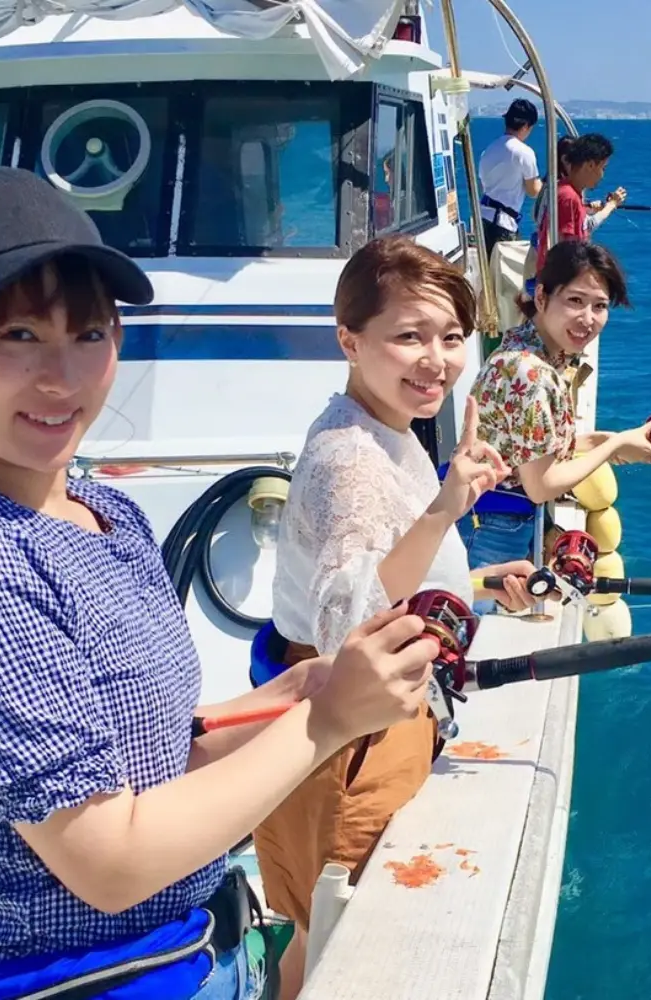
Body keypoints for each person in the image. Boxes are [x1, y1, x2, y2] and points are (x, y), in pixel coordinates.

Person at [0, 168, 440, 1000]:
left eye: (90, 335)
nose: (64, 377)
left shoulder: (104, 510)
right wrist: (331, 722)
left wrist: (300, 694)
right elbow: (109, 862)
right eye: (18, 335)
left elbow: (145, 752)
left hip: (188, 950)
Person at [252, 235, 540, 1000]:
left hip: (325, 725)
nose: (436, 359)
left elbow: (380, 571)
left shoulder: (374, 423)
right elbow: (350, 622)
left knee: (306, 938)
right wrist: (447, 505)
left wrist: (472, 581)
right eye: (408, 335)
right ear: (349, 338)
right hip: (352, 740)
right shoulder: (350, 457)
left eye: (452, 337)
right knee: (348, 945)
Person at [460, 240, 651, 573]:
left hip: (487, 519)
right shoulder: (532, 371)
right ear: (541, 297)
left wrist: (596, 442)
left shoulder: (521, 346)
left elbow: (522, 447)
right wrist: (615, 444)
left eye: (599, 306)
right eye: (574, 301)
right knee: (476, 621)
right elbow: (542, 486)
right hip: (493, 533)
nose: (588, 319)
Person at [532, 133, 626, 275]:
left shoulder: (567, 193)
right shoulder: (568, 197)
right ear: (590, 165)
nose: (602, 175)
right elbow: (568, 249)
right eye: (603, 168)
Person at [478, 98, 543, 259]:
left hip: (482, 218)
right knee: (504, 277)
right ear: (527, 126)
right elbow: (533, 191)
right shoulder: (524, 152)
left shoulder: (489, 150)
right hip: (503, 223)